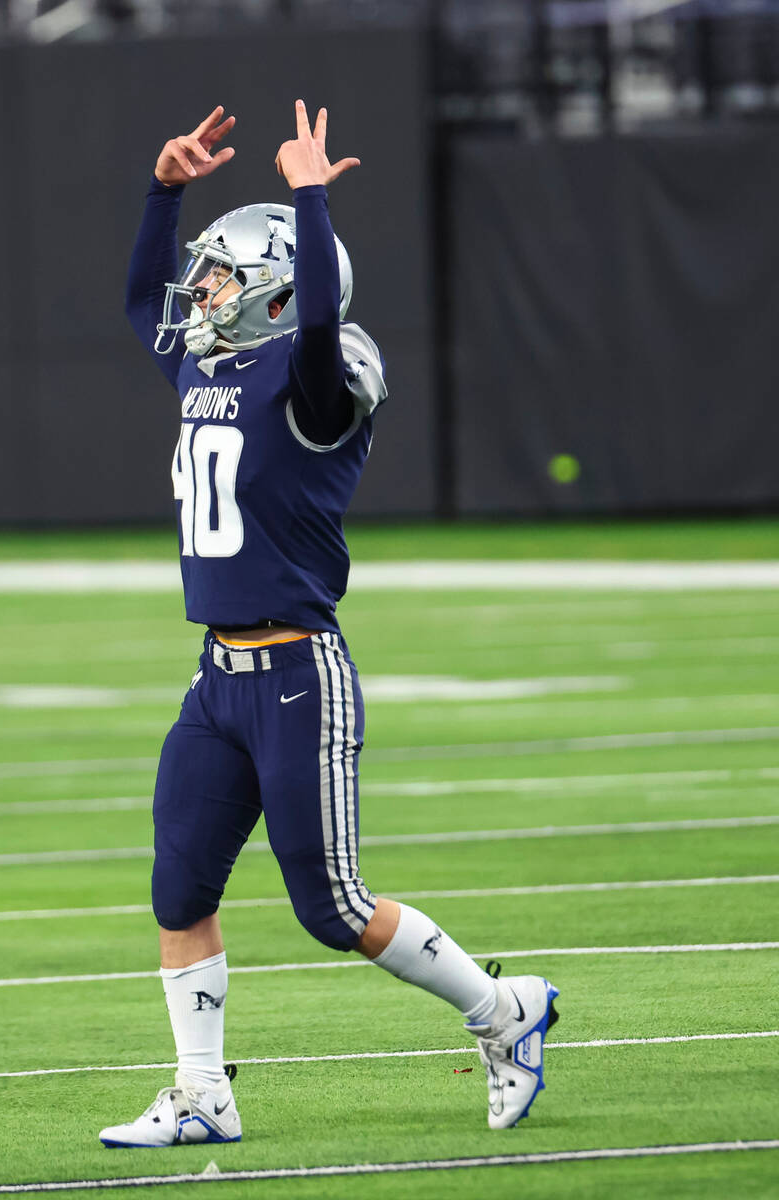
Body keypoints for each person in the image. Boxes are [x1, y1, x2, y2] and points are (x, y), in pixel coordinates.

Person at [101, 101, 559, 1148]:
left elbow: (312, 332)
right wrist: (162, 191)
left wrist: (307, 194)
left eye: (220, 274)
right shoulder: (208, 365)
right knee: (179, 890)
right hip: (217, 679)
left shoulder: (317, 379)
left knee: (331, 908)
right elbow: (138, 298)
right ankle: (202, 1094)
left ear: (273, 289)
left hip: (300, 674)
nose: (201, 288)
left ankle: (504, 1012)